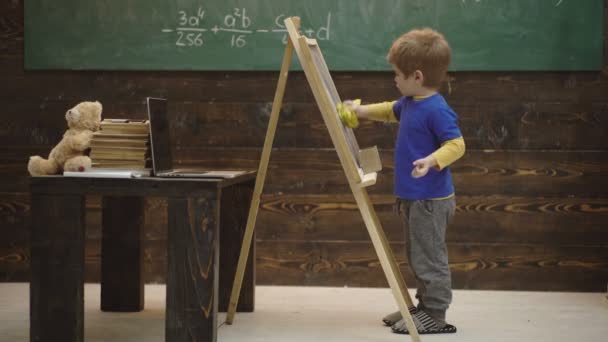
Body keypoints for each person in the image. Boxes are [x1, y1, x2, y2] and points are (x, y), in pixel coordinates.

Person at [343, 27, 465, 335]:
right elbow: (388, 110)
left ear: (418, 76)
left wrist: (431, 160)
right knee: (416, 254)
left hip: (430, 201)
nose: (394, 79)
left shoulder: (436, 109)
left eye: (397, 74)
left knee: (429, 258)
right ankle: (422, 307)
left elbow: (457, 144)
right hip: (414, 197)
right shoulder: (410, 101)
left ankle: (435, 314)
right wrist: (359, 111)